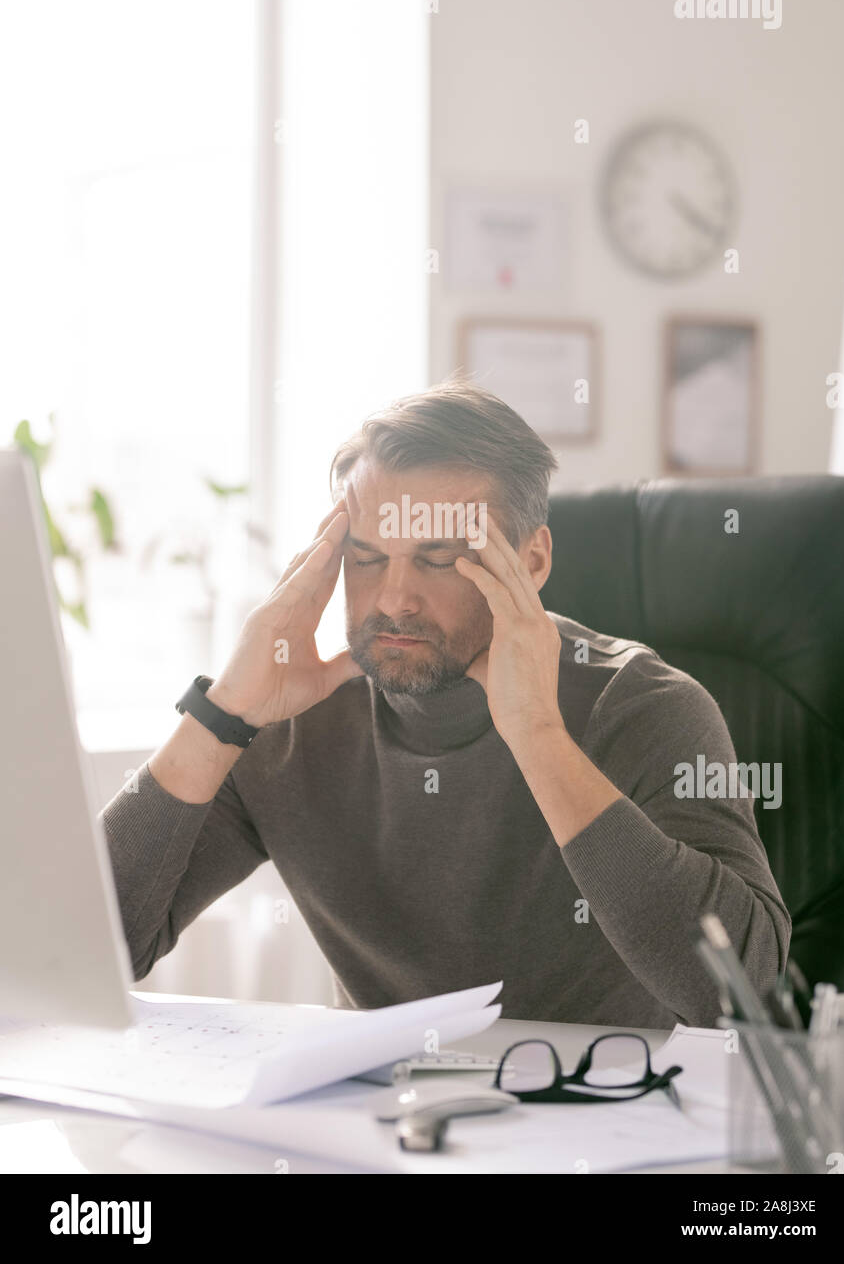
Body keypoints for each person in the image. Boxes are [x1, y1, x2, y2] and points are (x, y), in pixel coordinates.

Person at [100, 379, 791, 1027]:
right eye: (367, 559)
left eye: (437, 559)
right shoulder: (289, 725)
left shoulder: (641, 706)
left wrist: (538, 735)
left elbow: (744, 995)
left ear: (533, 561)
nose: (395, 597)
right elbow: (91, 947)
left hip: (601, 1132)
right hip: (377, 1134)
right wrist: (224, 714)